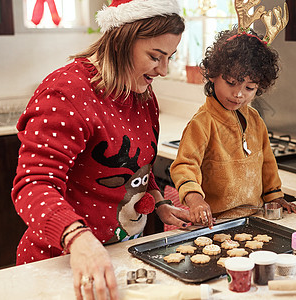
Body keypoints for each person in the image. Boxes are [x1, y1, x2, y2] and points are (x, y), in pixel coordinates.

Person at [11, 0, 190, 299]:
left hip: (122, 258)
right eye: (155, 56)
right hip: (61, 262)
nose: (163, 70)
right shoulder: (66, 92)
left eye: (170, 57)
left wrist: (159, 202)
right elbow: (33, 185)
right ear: (122, 41)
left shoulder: (141, 93)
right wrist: (79, 239)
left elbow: (138, 169)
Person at [169, 26, 296, 229]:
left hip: (255, 218)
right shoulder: (203, 122)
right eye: (231, 83)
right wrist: (195, 200)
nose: (239, 94)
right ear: (212, 74)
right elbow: (185, 166)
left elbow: (266, 161)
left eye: (249, 88)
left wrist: (275, 196)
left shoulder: (255, 119)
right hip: (215, 222)